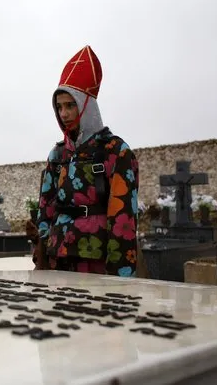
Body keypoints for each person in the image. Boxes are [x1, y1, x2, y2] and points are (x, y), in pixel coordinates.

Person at [33, 45, 140, 277]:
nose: (63, 113)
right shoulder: (58, 155)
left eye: (70, 105)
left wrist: (121, 277)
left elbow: (124, 217)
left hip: (97, 262)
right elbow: (45, 209)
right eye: (59, 107)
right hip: (58, 260)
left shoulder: (116, 152)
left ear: (86, 105)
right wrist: (44, 248)